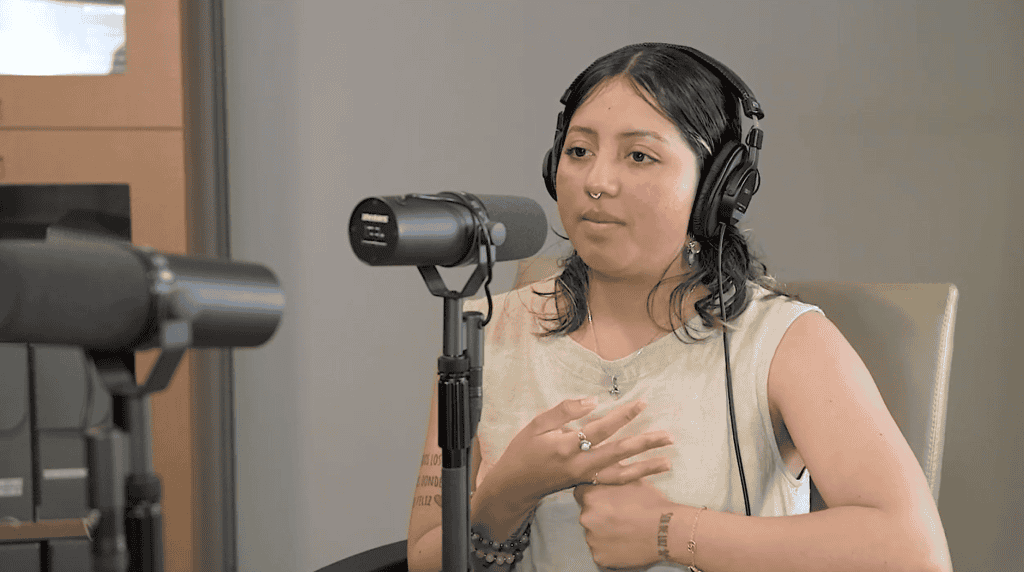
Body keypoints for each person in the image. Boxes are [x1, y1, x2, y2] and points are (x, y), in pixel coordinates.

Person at [407, 42, 952, 572]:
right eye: (579, 151)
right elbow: (425, 560)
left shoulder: (787, 342)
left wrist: (669, 531)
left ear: (716, 187)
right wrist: (507, 493)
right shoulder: (484, 329)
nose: (596, 181)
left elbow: (912, 552)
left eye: (639, 155)